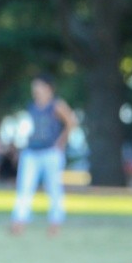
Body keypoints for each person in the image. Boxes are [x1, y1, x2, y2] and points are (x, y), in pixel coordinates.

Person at [10, 72, 78, 237]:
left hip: (50, 152)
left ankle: (55, 222)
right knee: (24, 187)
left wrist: (60, 142)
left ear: (48, 88)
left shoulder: (56, 105)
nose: (36, 89)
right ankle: (19, 221)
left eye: (39, 85)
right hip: (32, 151)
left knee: (53, 188)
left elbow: (71, 122)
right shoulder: (31, 106)